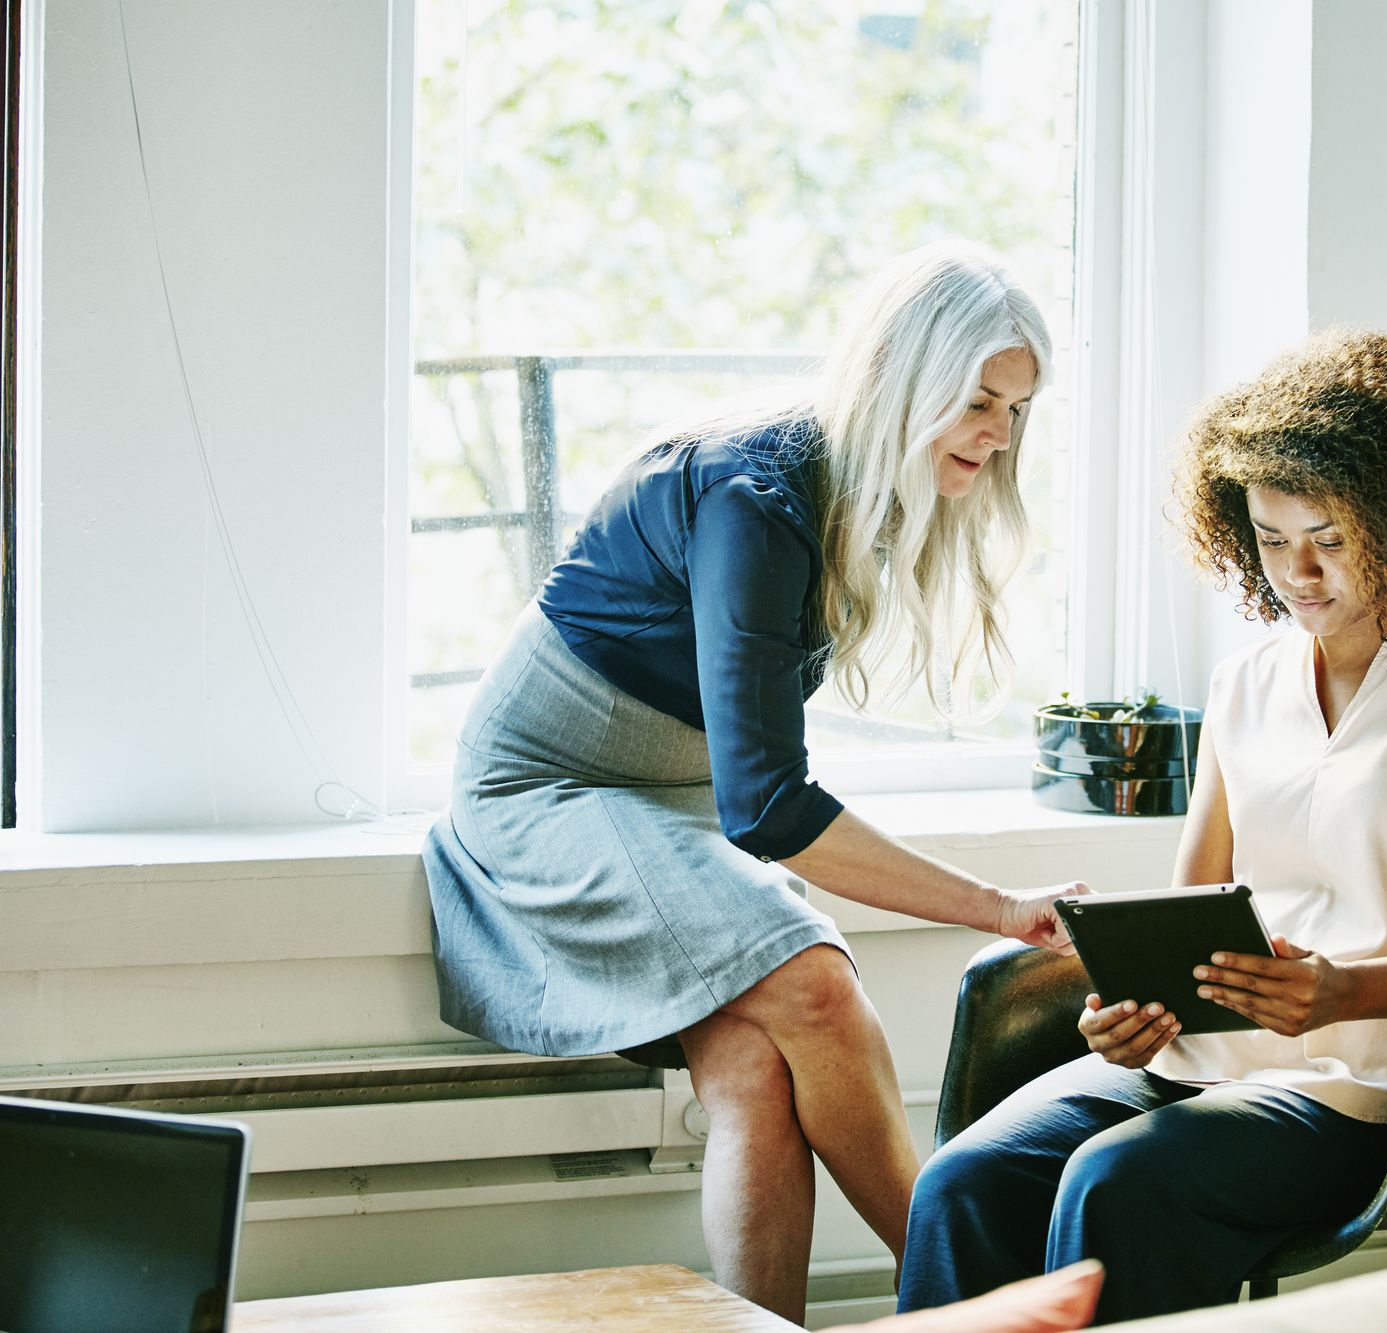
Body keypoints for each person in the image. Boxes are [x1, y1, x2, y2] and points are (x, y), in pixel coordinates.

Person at [422, 241, 1081, 1323]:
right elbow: (769, 806)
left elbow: (743, 783)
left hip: (659, 805)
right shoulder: (757, 490)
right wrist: (1002, 909)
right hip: (543, 797)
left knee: (748, 1064)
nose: (999, 433)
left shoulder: (848, 490)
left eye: (1016, 407)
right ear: (903, 380)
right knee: (814, 981)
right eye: (976, 400)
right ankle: (980, 1299)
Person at [897, 330, 1387, 1324]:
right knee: (961, 1182)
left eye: (1331, 538)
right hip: (1199, 1065)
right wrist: (1129, 1014)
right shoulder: (1245, 681)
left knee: (1117, 1182)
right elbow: (1190, 911)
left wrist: (1342, 990)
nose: (1297, 572)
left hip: (1361, 1089)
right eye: (1270, 540)